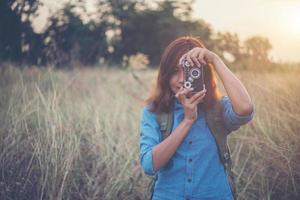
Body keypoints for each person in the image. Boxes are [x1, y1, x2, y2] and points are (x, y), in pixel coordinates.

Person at [139, 36, 254, 200]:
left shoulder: (217, 107)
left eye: (189, 71)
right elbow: (149, 165)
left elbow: (245, 108)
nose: (181, 80)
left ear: (203, 73)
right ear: (164, 75)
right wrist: (187, 121)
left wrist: (214, 59)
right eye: (174, 72)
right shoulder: (154, 111)